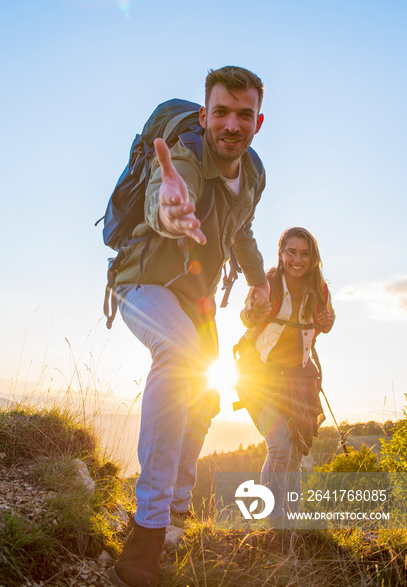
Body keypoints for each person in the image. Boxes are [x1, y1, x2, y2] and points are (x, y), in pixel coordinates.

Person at [109, 66, 269, 587]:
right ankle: (148, 531)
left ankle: (177, 509)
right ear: (204, 117)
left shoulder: (256, 173)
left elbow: (242, 230)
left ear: (258, 122)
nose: (231, 124)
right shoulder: (184, 153)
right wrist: (169, 208)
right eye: (220, 112)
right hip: (142, 281)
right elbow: (165, 192)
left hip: (195, 299)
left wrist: (257, 281)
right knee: (178, 354)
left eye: (243, 114)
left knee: (203, 399)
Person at [237, 226, 335, 522]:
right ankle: (274, 522)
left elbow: (326, 321)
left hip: (299, 380)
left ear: (313, 257)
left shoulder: (319, 288)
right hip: (258, 377)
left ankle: (292, 524)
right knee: (279, 443)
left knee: (294, 453)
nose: (298, 259)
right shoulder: (267, 282)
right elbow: (246, 315)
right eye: (291, 252)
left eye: (305, 253)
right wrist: (254, 313)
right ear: (280, 254)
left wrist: (329, 320)